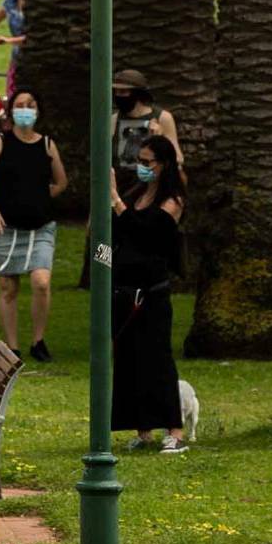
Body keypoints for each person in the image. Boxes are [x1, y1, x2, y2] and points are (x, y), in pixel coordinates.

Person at [0, 84, 68, 356]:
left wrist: (40, 196)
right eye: (20, 105)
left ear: (38, 111)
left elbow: (61, 181)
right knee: (8, 286)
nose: (25, 110)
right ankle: (12, 346)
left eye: (30, 105)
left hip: (39, 226)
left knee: (41, 281)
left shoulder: (47, 144)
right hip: (5, 226)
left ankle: (38, 341)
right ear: (10, 110)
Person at [111, 141, 186, 441]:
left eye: (148, 161)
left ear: (163, 164)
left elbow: (147, 234)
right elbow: (118, 233)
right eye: (138, 160)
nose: (141, 166)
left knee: (157, 359)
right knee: (130, 360)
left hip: (152, 295)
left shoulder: (173, 201)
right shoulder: (137, 194)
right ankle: (143, 429)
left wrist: (115, 200)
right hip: (125, 291)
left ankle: (175, 430)